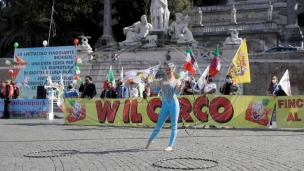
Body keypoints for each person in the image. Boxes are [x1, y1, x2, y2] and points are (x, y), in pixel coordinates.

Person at [145, 63, 183, 152]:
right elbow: (155, 91)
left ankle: (170, 146)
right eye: (166, 70)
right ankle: (150, 140)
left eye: (169, 69)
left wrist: (181, 86)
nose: (168, 71)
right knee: (158, 125)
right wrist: (148, 83)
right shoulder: (162, 81)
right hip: (165, 105)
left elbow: (178, 92)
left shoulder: (177, 81)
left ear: (173, 70)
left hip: (174, 104)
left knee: (174, 125)